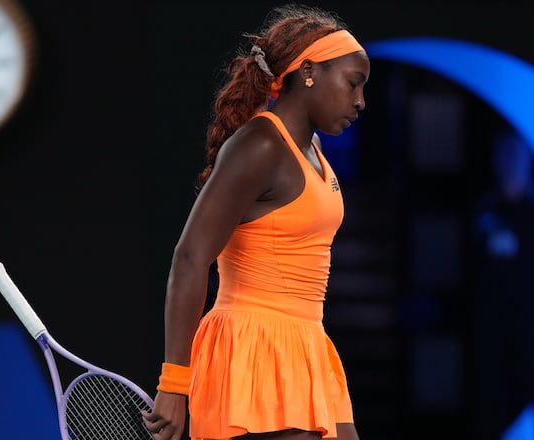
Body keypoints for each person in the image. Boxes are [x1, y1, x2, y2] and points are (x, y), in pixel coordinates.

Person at [142, 4, 369, 440]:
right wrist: (174, 383)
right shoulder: (260, 144)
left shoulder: (313, 149)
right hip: (253, 353)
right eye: (353, 84)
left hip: (308, 348)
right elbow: (190, 258)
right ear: (309, 73)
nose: (360, 101)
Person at [469, 128, 534, 440]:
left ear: (527, 163)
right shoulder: (485, 212)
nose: (509, 164)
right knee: (489, 412)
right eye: (504, 156)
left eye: (516, 157)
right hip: (494, 336)